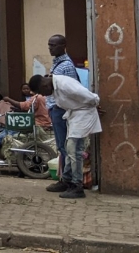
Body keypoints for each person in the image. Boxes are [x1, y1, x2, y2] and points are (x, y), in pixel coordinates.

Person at [29, 71, 101, 200]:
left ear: (44, 86)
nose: (44, 96)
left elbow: (90, 96)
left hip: (83, 115)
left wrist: (96, 103)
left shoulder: (64, 84)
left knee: (74, 150)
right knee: (69, 149)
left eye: (42, 92)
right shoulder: (55, 87)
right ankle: (67, 180)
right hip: (75, 116)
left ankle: (77, 186)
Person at [46, 34, 80, 189]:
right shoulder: (57, 64)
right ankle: (65, 177)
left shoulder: (65, 66)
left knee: (65, 146)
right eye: (49, 45)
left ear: (63, 46)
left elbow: (72, 89)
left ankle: (68, 180)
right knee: (61, 146)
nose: (50, 48)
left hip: (61, 109)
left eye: (53, 45)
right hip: (55, 108)